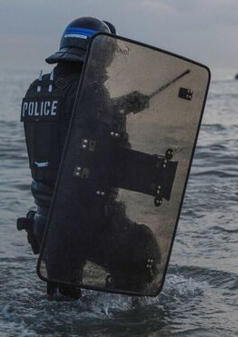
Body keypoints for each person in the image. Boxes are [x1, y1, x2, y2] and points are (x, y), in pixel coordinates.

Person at [18, 17, 160, 300]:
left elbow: (70, 128)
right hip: (90, 219)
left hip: (48, 221)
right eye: (107, 55)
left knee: (61, 307)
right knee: (145, 256)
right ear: (100, 53)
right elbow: (113, 154)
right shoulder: (92, 92)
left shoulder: (38, 89)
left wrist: (119, 106)